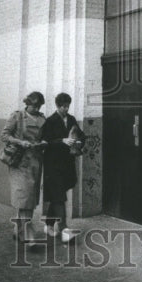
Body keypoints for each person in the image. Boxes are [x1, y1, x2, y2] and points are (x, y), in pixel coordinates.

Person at [1, 90, 47, 244]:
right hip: (19, 161)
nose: (37, 109)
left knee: (29, 197)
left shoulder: (42, 118)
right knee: (24, 195)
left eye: (39, 106)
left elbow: (45, 136)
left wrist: (45, 142)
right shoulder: (17, 116)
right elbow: (4, 135)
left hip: (35, 161)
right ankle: (28, 232)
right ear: (27, 104)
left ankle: (18, 230)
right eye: (34, 105)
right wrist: (20, 142)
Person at [41, 92, 85, 242]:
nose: (66, 109)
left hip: (67, 164)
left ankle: (48, 223)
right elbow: (45, 142)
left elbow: (81, 135)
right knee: (59, 196)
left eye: (67, 106)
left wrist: (79, 142)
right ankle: (65, 229)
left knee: (57, 195)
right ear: (57, 106)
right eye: (63, 106)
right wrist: (62, 141)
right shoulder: (50, 121)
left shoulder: (71, 119)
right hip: (53, 165)